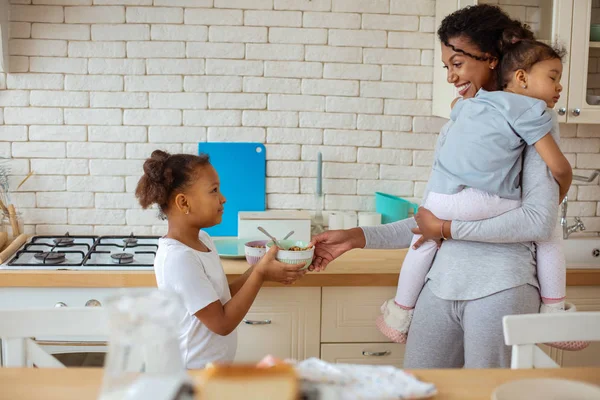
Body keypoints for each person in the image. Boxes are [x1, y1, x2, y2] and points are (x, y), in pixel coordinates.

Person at [310, 4, 564, 368]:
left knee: (484, 395)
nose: (450, 77)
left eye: (457, 64)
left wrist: (447, 229)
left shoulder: (532, 118)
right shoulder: (458, 121)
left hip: (502, 288)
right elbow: (431, 218)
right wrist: (355, 237)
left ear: (491, 59)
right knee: (421, 387)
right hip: (439, 286)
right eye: (447, 66)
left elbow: (538, 221)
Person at [376, 39, 572, 344]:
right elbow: (558, 168)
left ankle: (399, 313)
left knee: (421, 243)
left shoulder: (469, 102)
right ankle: (555, 314)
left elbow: (456, 110)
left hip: (440, 200)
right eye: (553, 77)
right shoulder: (534, 111)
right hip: (485, 202)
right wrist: (561, 190)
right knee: (548, 235)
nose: (559, 87)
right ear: (521, 77)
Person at [135, 150, 306, 368]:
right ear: (183, 203)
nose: (223, 198)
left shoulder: (203, 240)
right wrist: (261, 274)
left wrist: (259, 268)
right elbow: (222, 323)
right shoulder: (178, 259)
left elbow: (222, 299)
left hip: (208, 369)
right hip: (190, 373)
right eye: (214, 190)